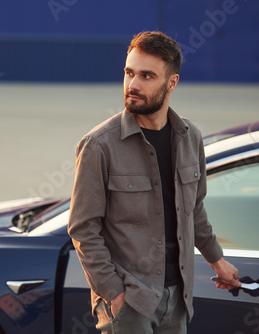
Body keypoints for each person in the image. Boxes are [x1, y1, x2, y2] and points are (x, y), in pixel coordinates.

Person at [67, 31, 241, 334]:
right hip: (130, 301)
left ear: (171, 83)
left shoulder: (191, 138)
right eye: (129, 73)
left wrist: (217, 260)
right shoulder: (99, 145)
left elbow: (194, 209)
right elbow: (83, 228)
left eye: (147, 76)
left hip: (178, 297)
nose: (133, 84)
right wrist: (114, 293)